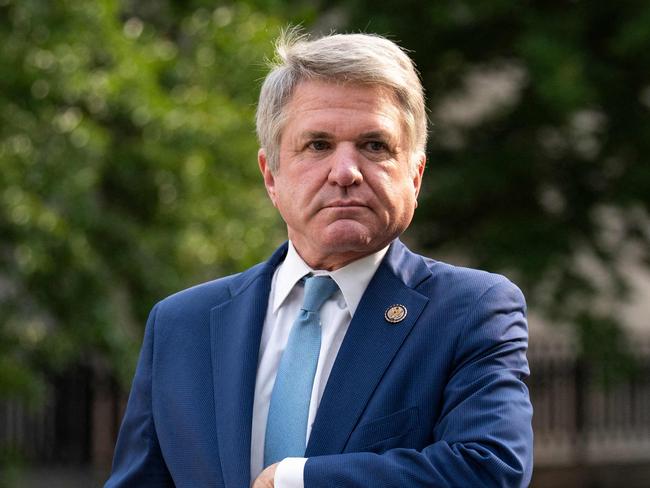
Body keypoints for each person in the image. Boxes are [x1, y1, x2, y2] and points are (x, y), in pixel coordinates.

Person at [106, 31, 533, 488]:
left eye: (374, 146)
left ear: (415, 174)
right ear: (271, 175)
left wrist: (295, 480)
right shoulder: (181, 324)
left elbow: (489, 470)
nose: (345, 172)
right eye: (318, 145)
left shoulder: (470, 311)